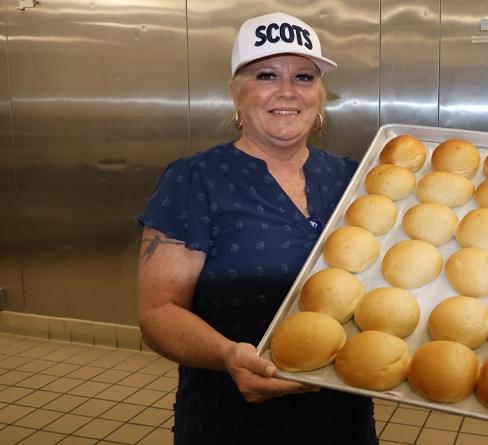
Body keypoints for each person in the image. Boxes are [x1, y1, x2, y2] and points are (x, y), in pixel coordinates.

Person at [135, 12, 377, 444]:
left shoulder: (353, 178)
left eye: (304, 77)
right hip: (230, 418)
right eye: (266, 75)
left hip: (342, 416)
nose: (288, 90)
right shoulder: (195, 180)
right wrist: (227, 355)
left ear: (319, 95)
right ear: (236, 93)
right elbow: (157, 312)